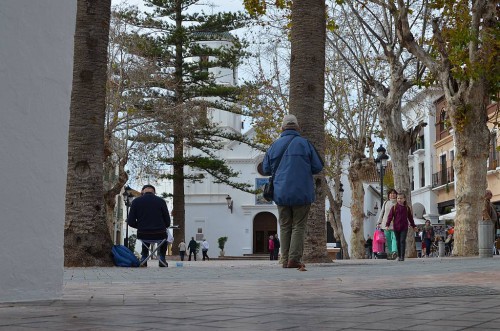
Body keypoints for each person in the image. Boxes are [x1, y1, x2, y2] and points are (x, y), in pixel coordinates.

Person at [262, 114, 323, 270]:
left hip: (281, 193)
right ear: (297, 128)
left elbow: (265, 169)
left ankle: (284, 260)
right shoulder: (305, 144)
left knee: (284, 226)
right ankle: (294, 259)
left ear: (282, 128)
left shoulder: (274, 146)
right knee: (298, 226)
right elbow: (318, 167)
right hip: (302, 192)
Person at [127, 184, 171, 267]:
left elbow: (130, 222)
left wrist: (140, 226)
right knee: (164, 236)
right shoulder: (161, 201)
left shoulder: (136, 201)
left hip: (143, 233)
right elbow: (167, 222)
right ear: (154, 192)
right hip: (160, 233)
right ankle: (162, 258)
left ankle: (144, 258)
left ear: (142, 192)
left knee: (145, 237)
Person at [386, 193, 418, 261]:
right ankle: (399, 255)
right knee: (398, 241)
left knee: (402, 241)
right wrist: (387, 225)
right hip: (396, 227)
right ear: (396, 199)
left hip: (404, 227)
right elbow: (390, 217)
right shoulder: (394, 207)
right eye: (398, 198)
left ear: (404, 199)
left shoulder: (407, 208)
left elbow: (410, 218)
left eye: (401, 198)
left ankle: (402, 256)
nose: (399, 200)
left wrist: (414, 226)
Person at [377, 189, 398, 260]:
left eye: (394, 193)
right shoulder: (385, 202)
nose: (392, 195)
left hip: (396, 224)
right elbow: (382, 212)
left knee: (394, 238)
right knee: (388, 239)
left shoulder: (398, 203)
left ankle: (394, 252)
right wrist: (379, 222)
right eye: (391, 193)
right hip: (386, 224)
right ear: (389, 195)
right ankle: (391, 253)